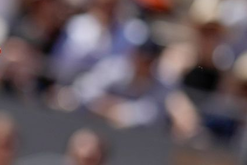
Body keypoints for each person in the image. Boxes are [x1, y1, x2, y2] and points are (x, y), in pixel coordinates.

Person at [72, 39, 201, 140]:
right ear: (134, 56)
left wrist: (117, 110)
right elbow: (85, 92)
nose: (144, 64)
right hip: (95, 129)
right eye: (142, 59)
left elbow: (151, 116)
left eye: (149, 61)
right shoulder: (114, 68)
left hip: (134, 141)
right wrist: (112, 109)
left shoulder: (163, 81)